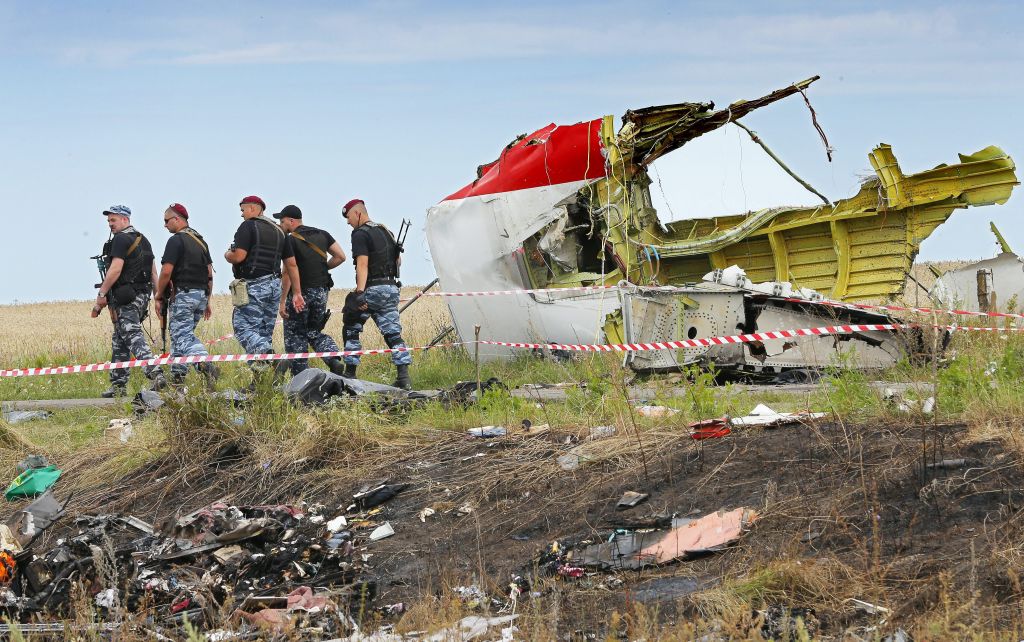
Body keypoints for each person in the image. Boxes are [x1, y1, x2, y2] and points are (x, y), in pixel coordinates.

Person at [224, 195, 305, 379]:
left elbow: (238, 256)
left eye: (243, 210)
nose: (242, 214)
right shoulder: (279, 231)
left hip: (254, 286)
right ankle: (260, 380)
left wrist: (227, 254)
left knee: (243, 328)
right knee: (263, 332)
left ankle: (272, 357)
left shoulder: (248, 226)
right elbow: (291, 264)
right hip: (274, 286)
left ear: (253, 208)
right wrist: (297, 292)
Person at [90, 205, 167, 397]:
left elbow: (115, 269)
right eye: (108, 221)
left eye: (113, 220)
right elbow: (153, 272)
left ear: (125, 219)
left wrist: (101, 294)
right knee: (120, 338)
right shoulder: (143, 239)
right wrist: (157, 297)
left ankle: (155, 373)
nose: (110, 224)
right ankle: (118, 386)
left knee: (131, 334)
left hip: (127, 297)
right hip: (142, 296)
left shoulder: (120, 239)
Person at [340, 199, 412, 390]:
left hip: (372, 288)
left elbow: (362, 264)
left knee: (351, 325)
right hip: (391, 288)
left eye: (348, 217)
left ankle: (350, 374)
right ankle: (404, 378)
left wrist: (360, 293)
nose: (348, 222)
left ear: (357, 214)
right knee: (393, 333)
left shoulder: (360, 234)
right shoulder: (386, 231)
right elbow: (398, 262)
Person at [274, 204, 349, 376]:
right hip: (322, 292)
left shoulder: (289, 240)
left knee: (295, 336)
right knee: (314, 332)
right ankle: (333, 359)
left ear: (291, 221)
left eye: (282, 222)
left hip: (300, 295)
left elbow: (287, 272)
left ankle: (301, 378)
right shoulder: (323, 234)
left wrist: (283, 300)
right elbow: (340, 256)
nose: (281, 225)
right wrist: (323, 267)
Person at [155, 203, 218, 386]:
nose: (165, 225)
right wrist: (207, 300)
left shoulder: (176, 240)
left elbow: (166, 271)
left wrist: (159, 295)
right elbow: (209, 274)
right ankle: (177, 377)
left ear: (177, 219)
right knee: (180, 335)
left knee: (182, 336)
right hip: (201, 295)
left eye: (167, 220)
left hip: (183, 295)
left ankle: (205, 365)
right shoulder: (200, 241)